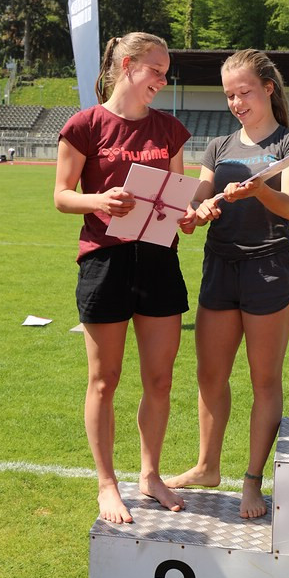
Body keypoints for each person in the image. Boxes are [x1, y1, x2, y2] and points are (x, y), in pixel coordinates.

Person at [166, 49, 289, 519]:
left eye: (244, 92)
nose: (235, 102)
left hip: (268, 269)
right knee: (210, 375)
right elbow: (196, 202)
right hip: (221, 267)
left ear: (268, 88)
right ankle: (208, 465)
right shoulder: (218, 146)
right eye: (230, 94)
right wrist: (194, 213)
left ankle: (252, 480)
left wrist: (258, 189)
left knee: (264, 379)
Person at [54, 32, 193, 525]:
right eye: (156, 69)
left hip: (159, 260)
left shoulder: (171, 130)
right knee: (104, 380)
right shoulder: (85, 125)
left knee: (159, 378)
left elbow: (179, 199)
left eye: (165, 72)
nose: (162, 79)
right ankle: (107, 483)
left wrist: (192, 215)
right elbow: (61, 195)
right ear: (128, 65)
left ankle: (150, 475)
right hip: (104, 264)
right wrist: (99, 201)